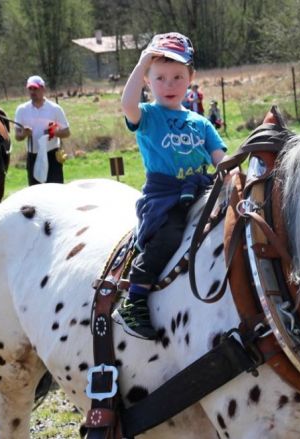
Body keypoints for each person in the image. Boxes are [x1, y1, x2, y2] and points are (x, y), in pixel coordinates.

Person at [115, 32, 227, 339]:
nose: (170, 84)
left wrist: (232, 178)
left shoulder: (200, 122)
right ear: (148, 82)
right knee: (168, 235)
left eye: (178, 77)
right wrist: (141, 63)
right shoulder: (148, 116)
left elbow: (221, 159)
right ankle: (135, 300)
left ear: (191, 78)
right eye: (160, 77)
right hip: (166, 195)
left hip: (202, 189)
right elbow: (127, 103)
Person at [14, 75, 71, 185]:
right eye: (30, 89)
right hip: (33, 156)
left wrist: (54, 132)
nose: (32, 92)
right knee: (35, 193)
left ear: (43, 89)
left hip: (52, 156)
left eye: (35, 89)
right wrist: (24, 134)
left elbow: (67, 132)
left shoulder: (55, 109)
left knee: (55, 190)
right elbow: (17, 136)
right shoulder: (21, 110)